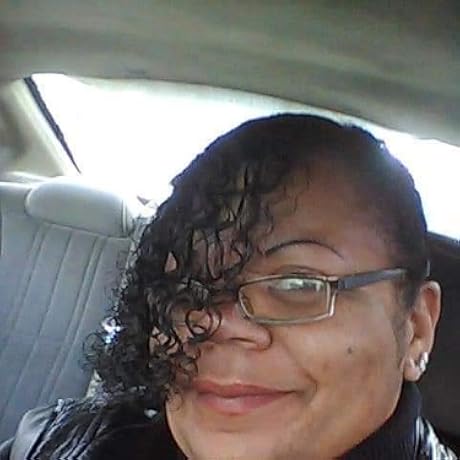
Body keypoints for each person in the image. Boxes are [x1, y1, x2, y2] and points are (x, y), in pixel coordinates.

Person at [0, 114, 457, 459]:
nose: (217, 322)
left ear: (416, 327)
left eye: (296, 283)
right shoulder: (54, 442)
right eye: (186, 284)